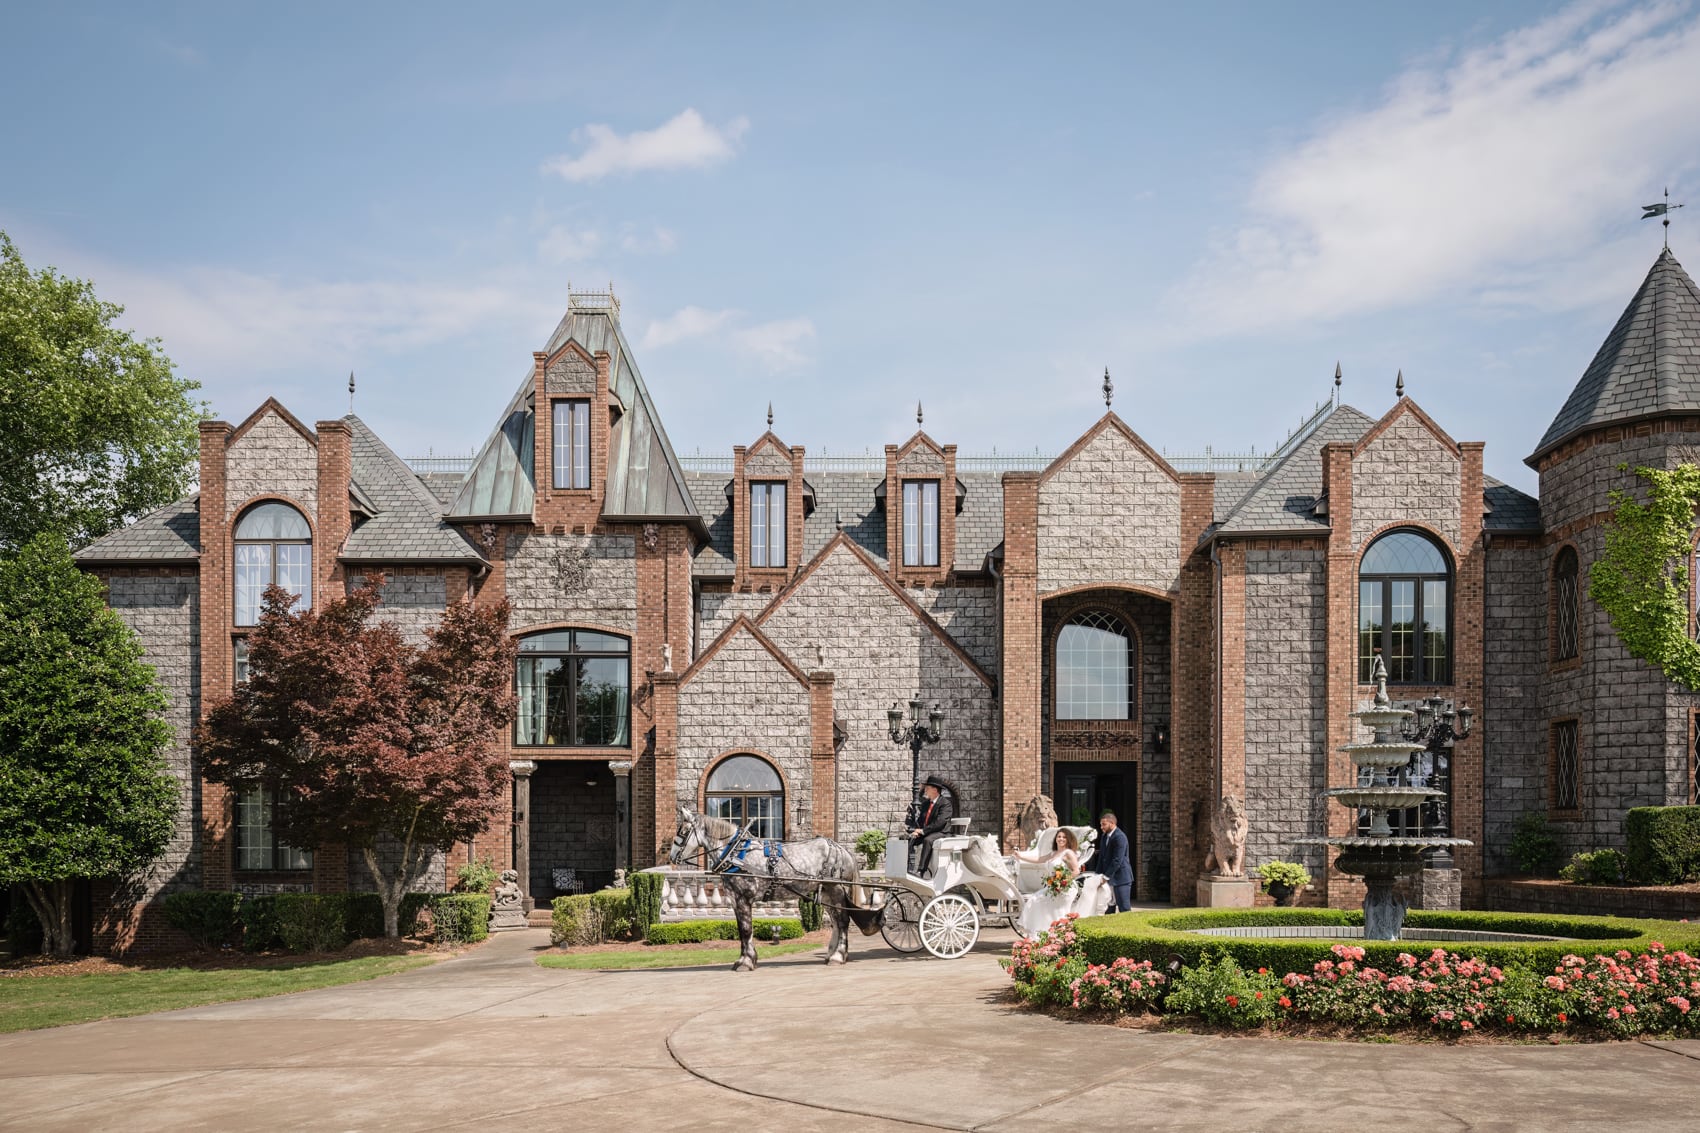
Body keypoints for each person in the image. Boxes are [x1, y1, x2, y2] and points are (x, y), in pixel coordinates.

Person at [906, 776, 954, 877]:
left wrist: (923, 831)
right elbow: (921, 821)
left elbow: (940, 822)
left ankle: (921, 871)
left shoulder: (945, 804)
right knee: (908, 839)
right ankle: (907, 867)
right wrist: (916, 830)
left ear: (935, 790)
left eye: (927, 788)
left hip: (942, 832)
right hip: (928, 831)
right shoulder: (925, 804)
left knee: (928, 840)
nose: (925, 790)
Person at [1091, 809, 1133, 912]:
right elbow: (1102, 858)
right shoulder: (1104, 836)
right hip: (1108, 879)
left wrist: (1106, 877)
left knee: (1124, 908)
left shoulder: (1120, 837)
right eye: (1101, 824)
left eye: (1104, 824)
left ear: (1112, 823)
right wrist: (1098, 875)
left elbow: (1117, 860)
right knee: (1108, 908)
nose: (1101, 827)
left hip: (1121, 878)